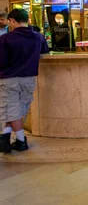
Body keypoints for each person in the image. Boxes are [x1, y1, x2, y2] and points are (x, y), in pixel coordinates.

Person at [0, 9, 49, 153]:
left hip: (9, 79)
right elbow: (44, 52)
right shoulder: (38, 37)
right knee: (20, 108)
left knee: (11, 109)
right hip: (29, 78)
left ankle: (21, 141)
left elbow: (2, 62)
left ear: (13, 21)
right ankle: (5, 137)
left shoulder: (5, 39)